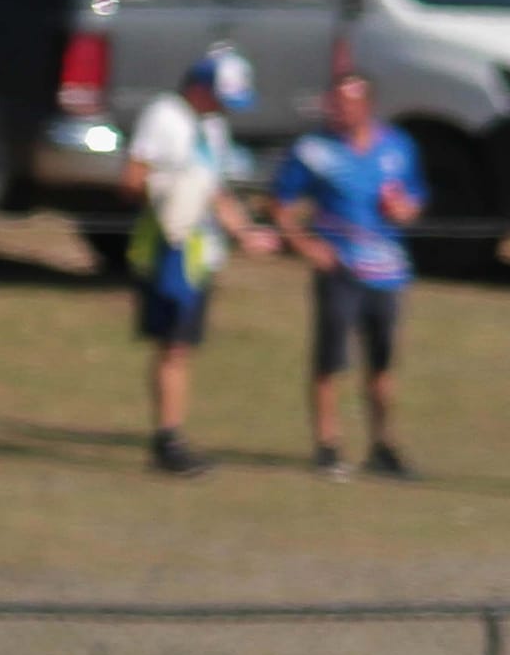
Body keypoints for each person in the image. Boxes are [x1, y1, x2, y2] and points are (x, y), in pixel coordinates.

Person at [121, 47, 277, 477]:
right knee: (172, 345)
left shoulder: (214, 128)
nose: (224, 107)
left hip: (199, 255)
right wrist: (170, 191)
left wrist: (245, 232)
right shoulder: (164, 116)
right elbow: (133, 180)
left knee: (183, 346)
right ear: (200, 87)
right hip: (167, 248)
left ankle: (172, 434)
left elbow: (215, 191)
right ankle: (167, 439)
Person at [271, 73, 428, 482]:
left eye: (348, 102)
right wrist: (307, 247)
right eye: (334, 102)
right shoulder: (313, 150)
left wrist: (403, 210)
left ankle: (383, 446)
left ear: (367, 105)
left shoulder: (398, 147)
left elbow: (414, 201)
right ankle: (328, 446)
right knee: (330, 360)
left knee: (382, 363)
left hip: (388, 272)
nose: (339, 110)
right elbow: (280, 205)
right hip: (340, 270)